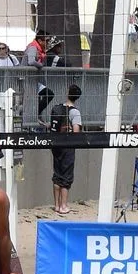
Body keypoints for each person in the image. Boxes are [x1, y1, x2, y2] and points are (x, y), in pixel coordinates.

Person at [49, 83, 82, 215]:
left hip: (56, 144)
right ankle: (64, 206)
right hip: (68, 146)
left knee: (57, 174)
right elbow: (76, 131)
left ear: (68, 93)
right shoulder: (75, 112)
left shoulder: (57, 108)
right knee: (66, 176)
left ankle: (56, 205)